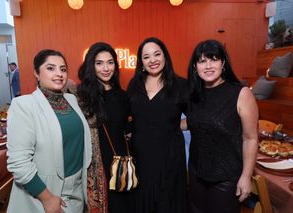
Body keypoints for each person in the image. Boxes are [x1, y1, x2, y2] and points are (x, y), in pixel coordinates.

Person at [6, 49, 92, 213]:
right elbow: (18, 163)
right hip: (44, 194)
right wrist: (47, 198)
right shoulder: (24, 105)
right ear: (36, 73)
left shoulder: (71, 100)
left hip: (76, 192)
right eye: (51, 68)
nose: (59, 73)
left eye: (63, 69)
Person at [186, 39, 258, 213]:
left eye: (213, 59)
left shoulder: (241, 93)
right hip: (196, 174)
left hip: (226, 178)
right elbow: (193, 122)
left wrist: (246, 176)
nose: (208, 65)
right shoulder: (194, 95)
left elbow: (250, 138)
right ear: (195, 67)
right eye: (202, 61)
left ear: (223, 63)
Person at [127, 37, 189, 213]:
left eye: (157, 54)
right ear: (141, 62)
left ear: (165, 56)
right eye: (146, 57)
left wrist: (175, 127)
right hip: (141, 159)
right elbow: (131, 117)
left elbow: (198, 117)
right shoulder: (135, 84)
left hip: (170, 157)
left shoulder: (181, 85)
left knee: (167, 204)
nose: (152, 60)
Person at [77, 42, 134, 213]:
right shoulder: (82, 96)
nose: (106, 68)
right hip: (96, 164)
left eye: (110, 62)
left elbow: (127, 126)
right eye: (99, 63)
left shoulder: (123, 95)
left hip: (121, 162)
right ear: (91, 66)